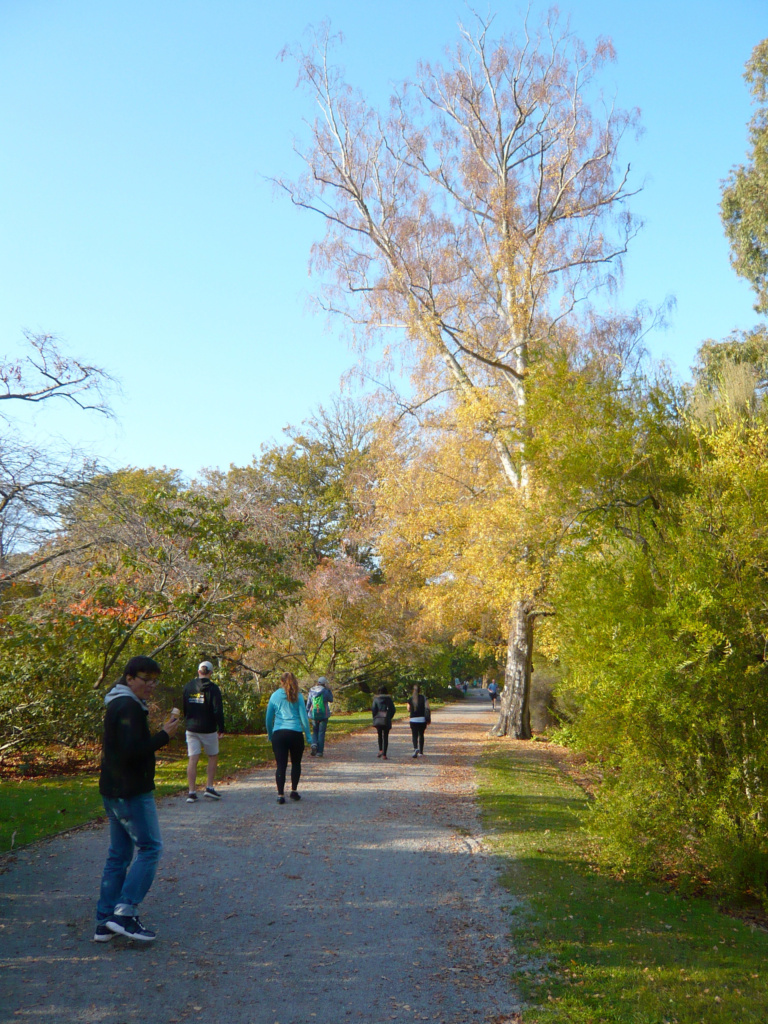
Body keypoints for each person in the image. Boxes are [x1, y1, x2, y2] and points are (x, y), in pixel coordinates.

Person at [94, 655, 179, 943]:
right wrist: (164, 735)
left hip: (114, 790)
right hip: (130, 791)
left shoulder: (118, 702)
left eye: (154, 680)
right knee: (151, 847)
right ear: (129, 679)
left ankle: (104, 921)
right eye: (146, 680)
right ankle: (124, 913)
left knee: (118, 855)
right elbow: (133, 751)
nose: (151, 686)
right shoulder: (128, 706)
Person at [266, 671, 313, 804]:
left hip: (279, 734)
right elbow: (304, 718)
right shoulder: (297, 696)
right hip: (295, 733)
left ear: (281, 682)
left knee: (281, 765)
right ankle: (294, 791)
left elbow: (268, 719)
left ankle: (280, 794)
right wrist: (308, 737)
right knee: (296, 763)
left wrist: (270, 734)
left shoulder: (274, 696)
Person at [182, 660, 225, 803]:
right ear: (211, 673)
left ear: (198, 671)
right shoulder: (213, 688)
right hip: (208, 728)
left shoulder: (188, 687)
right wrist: (221, 727)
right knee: (212, 755)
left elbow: (184, 706)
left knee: (193, 758)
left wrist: (187, 720)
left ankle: (191, 792)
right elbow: (217, 709)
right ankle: (209, 787)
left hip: (191, 727)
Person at [305, 675, 334, 757]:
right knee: (321, 733)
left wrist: (307, 712)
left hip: (313, 714)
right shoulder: (325, 691)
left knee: (315, 730)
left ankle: (314, 744)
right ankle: (319, 752)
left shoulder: (312, 691)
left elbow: (308, 703)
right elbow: (331, 699)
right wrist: (329, 690)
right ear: (325, 683)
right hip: (324, 715)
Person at [371, 685, 396, 759]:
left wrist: (375, 717)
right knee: (385, 736)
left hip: (378, 719)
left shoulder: (376, 699)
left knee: (379, 735)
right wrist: (389, 717)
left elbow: (373, 710)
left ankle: (380, 750)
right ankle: (384, 754)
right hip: (386, 720)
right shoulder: (389, 699)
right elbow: (393, 709)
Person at [407, 684, 430, 758]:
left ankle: (415, 748)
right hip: (422, 719)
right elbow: (427, 708)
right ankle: (421, 751)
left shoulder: (410, 699)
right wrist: (428, 718)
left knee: (414, 735)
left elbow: (408, 709)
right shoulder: (424, 698)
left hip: (413, 719)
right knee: (421, 735)